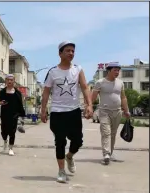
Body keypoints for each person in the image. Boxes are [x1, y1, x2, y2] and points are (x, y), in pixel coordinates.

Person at [41, 41, 93, 183]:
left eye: (73, 51)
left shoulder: (78, 69)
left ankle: (69, 156)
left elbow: (85, 87)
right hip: (57, 112)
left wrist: (89, 105)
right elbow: (46, 92)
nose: (71, 53)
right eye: (68, 50)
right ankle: (61, 171)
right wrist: (43, 110)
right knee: (60, 141)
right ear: (60, 53)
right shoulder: (52, 72)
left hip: (74, 111)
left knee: (78, 141)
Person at [91, 62, 130, 165]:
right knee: (106, 132)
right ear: (108, 71)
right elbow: (93, 96)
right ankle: (106, 154)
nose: (117, 72)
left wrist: (126, 110)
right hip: (104, 111)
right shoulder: (100, 82)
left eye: (118, 70)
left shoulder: (120, 83)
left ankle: (110, 153)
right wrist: (89, 108)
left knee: (113, 133)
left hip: (117, 112)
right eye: (115, 70)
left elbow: (123, 97)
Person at [0, 74, 25, 156]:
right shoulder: (2, 92)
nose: (9, 81)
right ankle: (5, 140)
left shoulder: (17, 93)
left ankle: (11, 148)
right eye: (8, 80)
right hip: (4, 114)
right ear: (5, 81)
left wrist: (21, 116)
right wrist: (1, 102)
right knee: (4, 131)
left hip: (14, 115)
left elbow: (20, 104)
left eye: (11, 80)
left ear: (14, 81)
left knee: (12, 132)